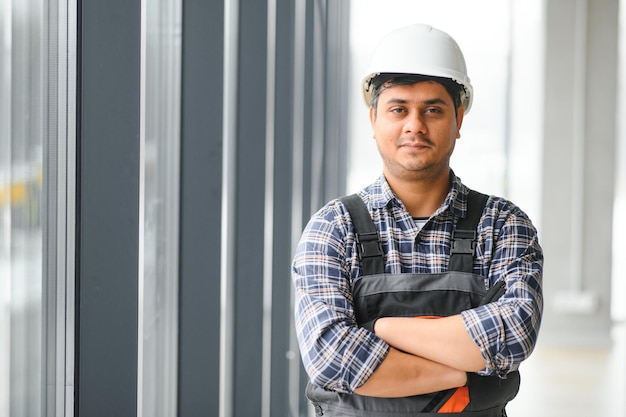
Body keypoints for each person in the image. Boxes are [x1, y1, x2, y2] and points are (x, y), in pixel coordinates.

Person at [291, 23, 543, 416]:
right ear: (373, 120)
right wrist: (460, 372)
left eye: (433, 109)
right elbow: (332, 357)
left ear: (459, 119)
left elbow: (514, 335)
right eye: (398, 109)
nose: (415, 125)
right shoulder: (334, 228)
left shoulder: (503, 225)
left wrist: (383, 329)